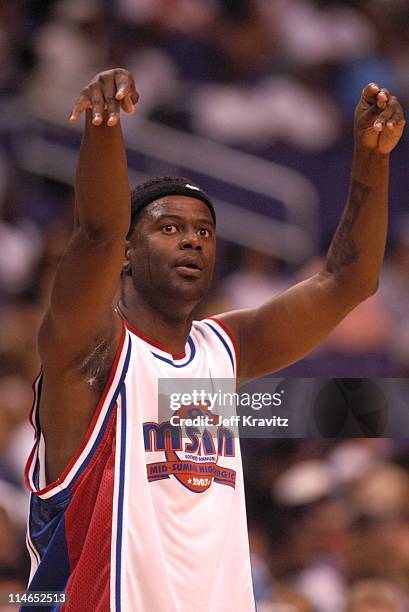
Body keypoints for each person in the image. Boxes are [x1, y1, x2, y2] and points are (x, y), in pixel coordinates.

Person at [23, 68, 404, 611]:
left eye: (204, 232)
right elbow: (98, 233)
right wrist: (104, 127)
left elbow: (348, 282)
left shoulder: (223, 349)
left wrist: (373, 156)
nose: (193, 242)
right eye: (170, 228)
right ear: (128, 254)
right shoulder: (92, 351)